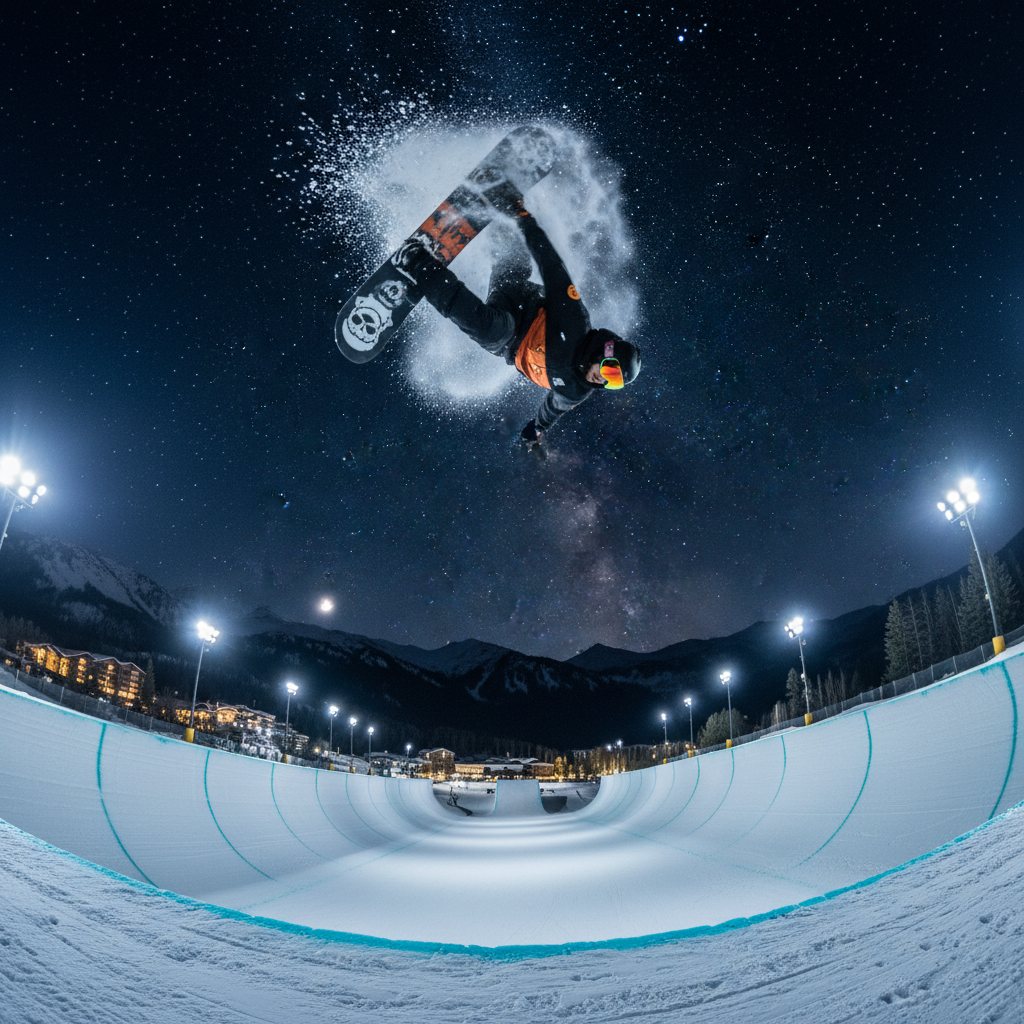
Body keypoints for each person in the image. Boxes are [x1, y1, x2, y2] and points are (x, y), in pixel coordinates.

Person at [393, 201, 641, 455]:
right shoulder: (575, 321)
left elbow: (553, 409)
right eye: (610, 371)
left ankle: (420, 267)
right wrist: (523, 217)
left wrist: (536, 429)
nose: (603, 379)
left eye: (612, 383)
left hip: (509, 340)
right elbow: (552, 265)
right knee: (514, 259)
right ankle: (497, 203)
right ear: (605, 352)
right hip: (516, 293)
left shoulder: (576, 391)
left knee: (492, 330)